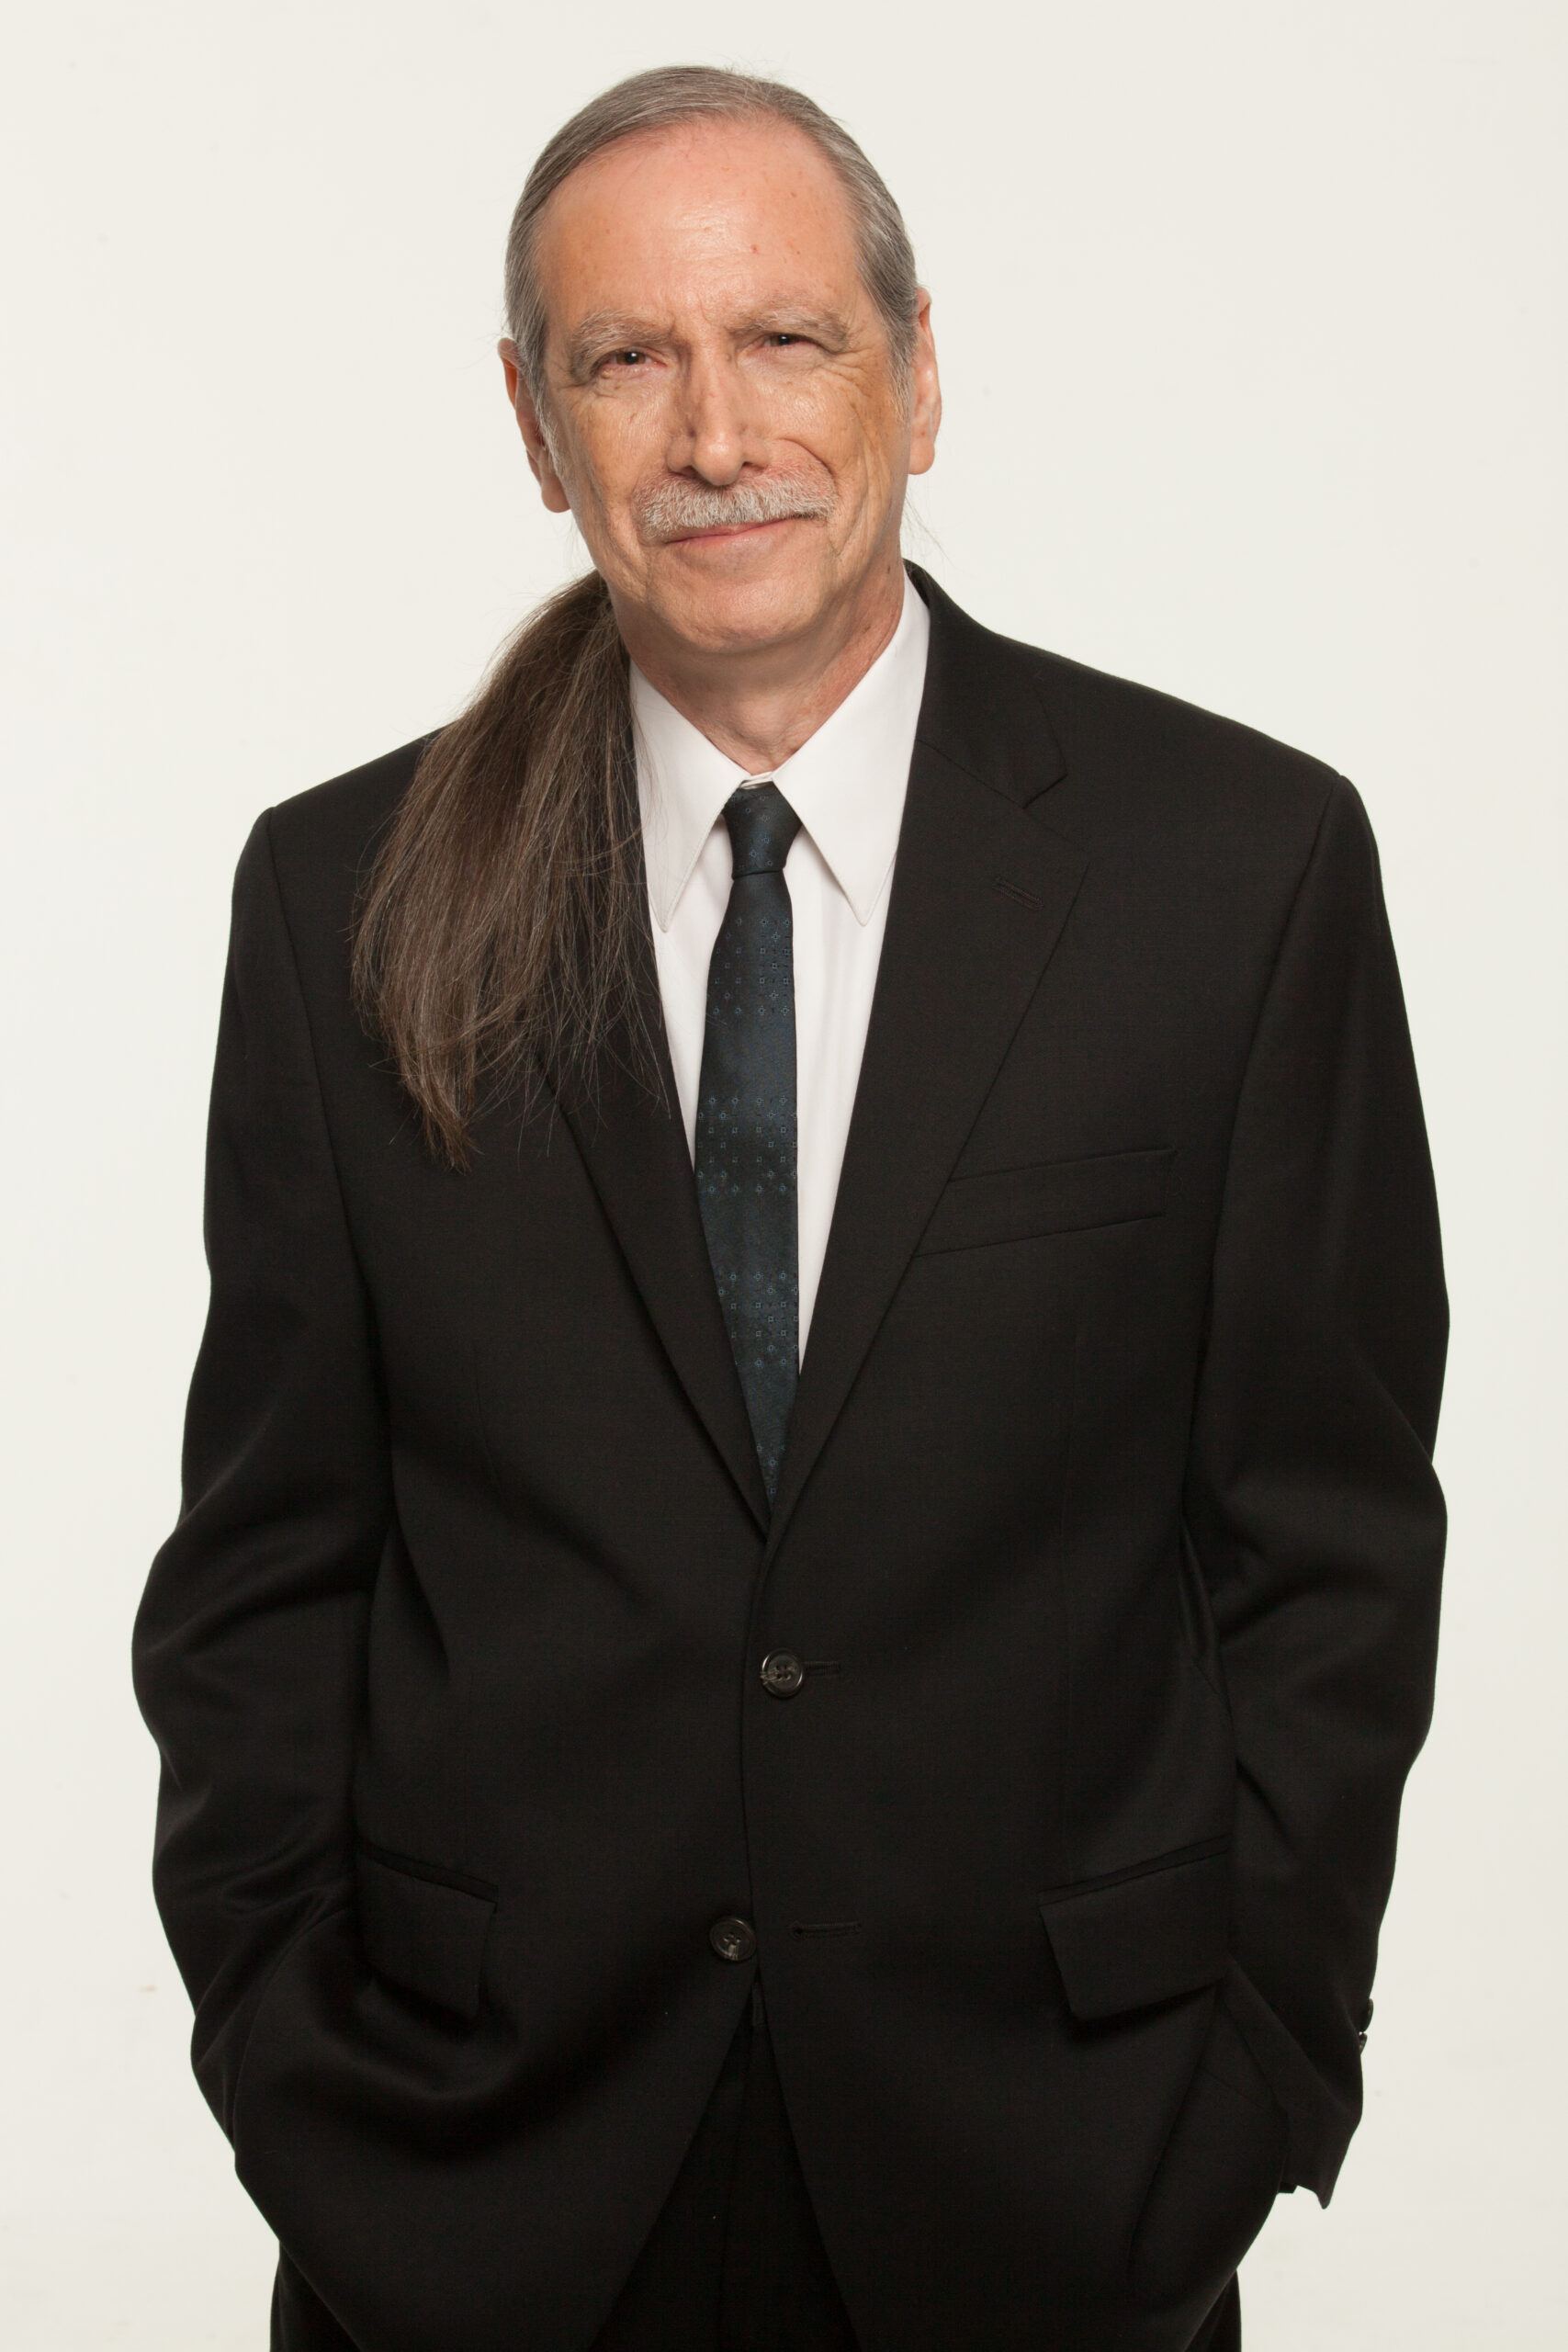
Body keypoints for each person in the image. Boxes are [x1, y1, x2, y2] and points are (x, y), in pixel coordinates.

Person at [133, 63, 1448, 2352]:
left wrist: (1250, 2077)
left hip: (1048, 2191)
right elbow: (267, 1566)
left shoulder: (1232, 874)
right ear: (534, 426)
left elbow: (1324, 1547)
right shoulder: (337, 895)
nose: (713, 430)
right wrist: (291, 2068)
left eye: (785, 339)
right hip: (469, 2199)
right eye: (624, 357)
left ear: (916, 376)